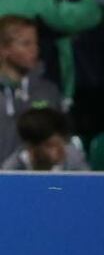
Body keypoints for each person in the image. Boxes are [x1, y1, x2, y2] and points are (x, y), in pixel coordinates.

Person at [0, 16, 65, 163]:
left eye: (36, 43)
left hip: (40, 180)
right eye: (26, 44)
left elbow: (63, 144)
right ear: (4, 50)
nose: (34, 49)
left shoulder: (48, 91)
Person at [1, 106, 89, 171]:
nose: (62, 150)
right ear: (32, 147)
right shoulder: (11, 169)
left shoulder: (73, 158)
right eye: (51, 145)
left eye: (63, 143)